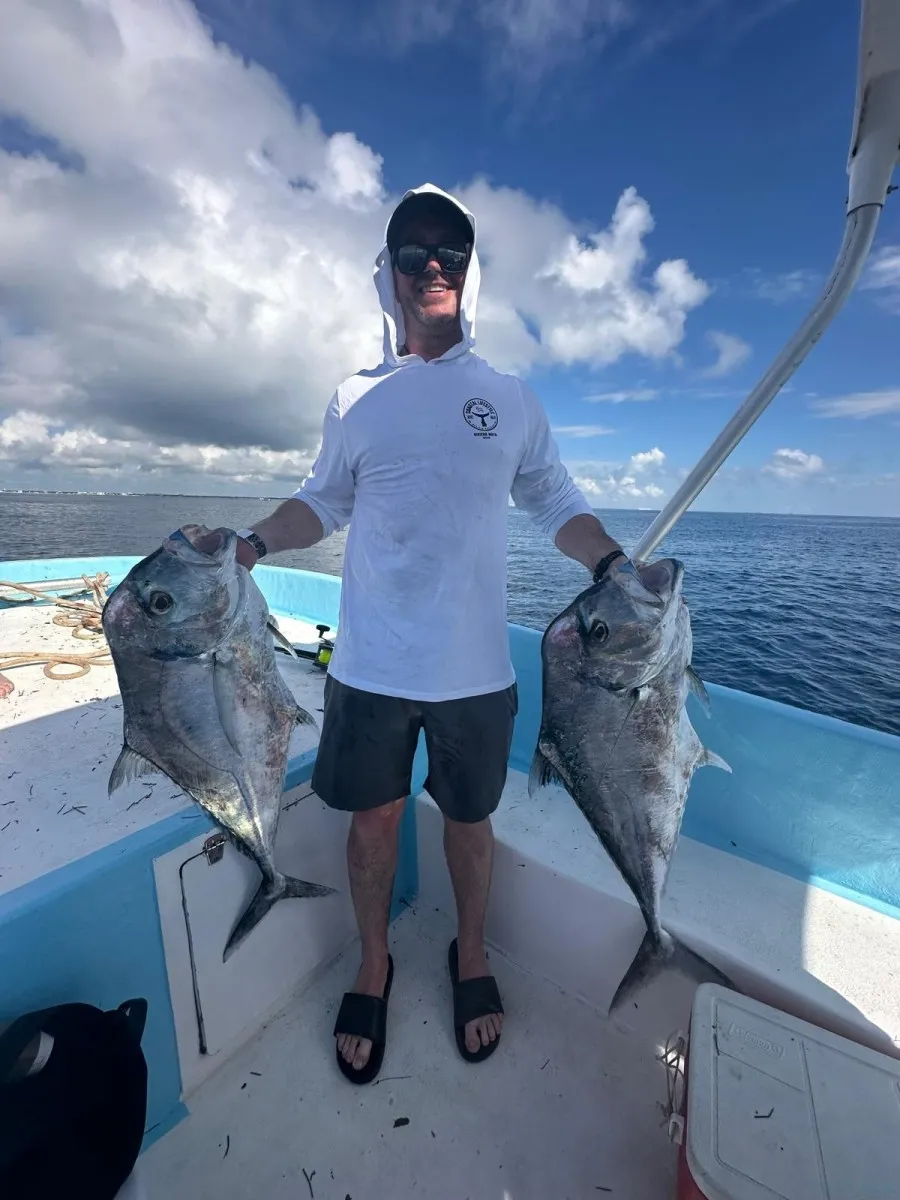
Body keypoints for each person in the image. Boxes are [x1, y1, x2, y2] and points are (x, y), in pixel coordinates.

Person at [180, 183, 629, 1084]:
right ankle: (375, 963)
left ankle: (472, 953)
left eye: (450, 251)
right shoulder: (355, 398)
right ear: (386, 272)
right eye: (414, 251)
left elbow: (556, 501)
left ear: (471, 272)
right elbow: (320, 501)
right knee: (373, 823)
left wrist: (614, 565)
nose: (433, 265)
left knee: (470, 822)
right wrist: (253, 542)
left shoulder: (510, 398)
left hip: (474, 673)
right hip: (371, 665)